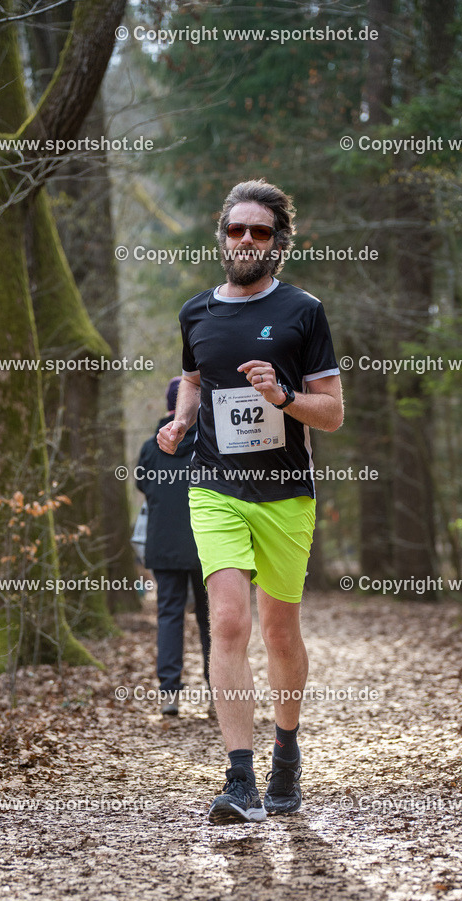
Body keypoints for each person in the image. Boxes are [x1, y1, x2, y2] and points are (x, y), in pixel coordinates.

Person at [157, 179, 344, 824]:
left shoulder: (303, 311)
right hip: (215, 488)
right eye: (235, 229)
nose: (245, 240)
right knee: (229, 621)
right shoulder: (196, 313)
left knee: (279, 629)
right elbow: (193, 378)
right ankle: (238, 777)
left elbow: (333, 413)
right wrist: (181, 421)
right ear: (222, 237)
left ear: (278, 242)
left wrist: (284, 398)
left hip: (286, 495)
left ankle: (285, 756)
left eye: (258, 231)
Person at [137, 377, 211, 716]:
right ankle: (217, 692)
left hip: (163, 544)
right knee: (211, 619)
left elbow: (143, 484)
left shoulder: (150, 448)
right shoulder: (208, 442)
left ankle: (169, 693)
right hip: (206, 544)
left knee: (169, 615)